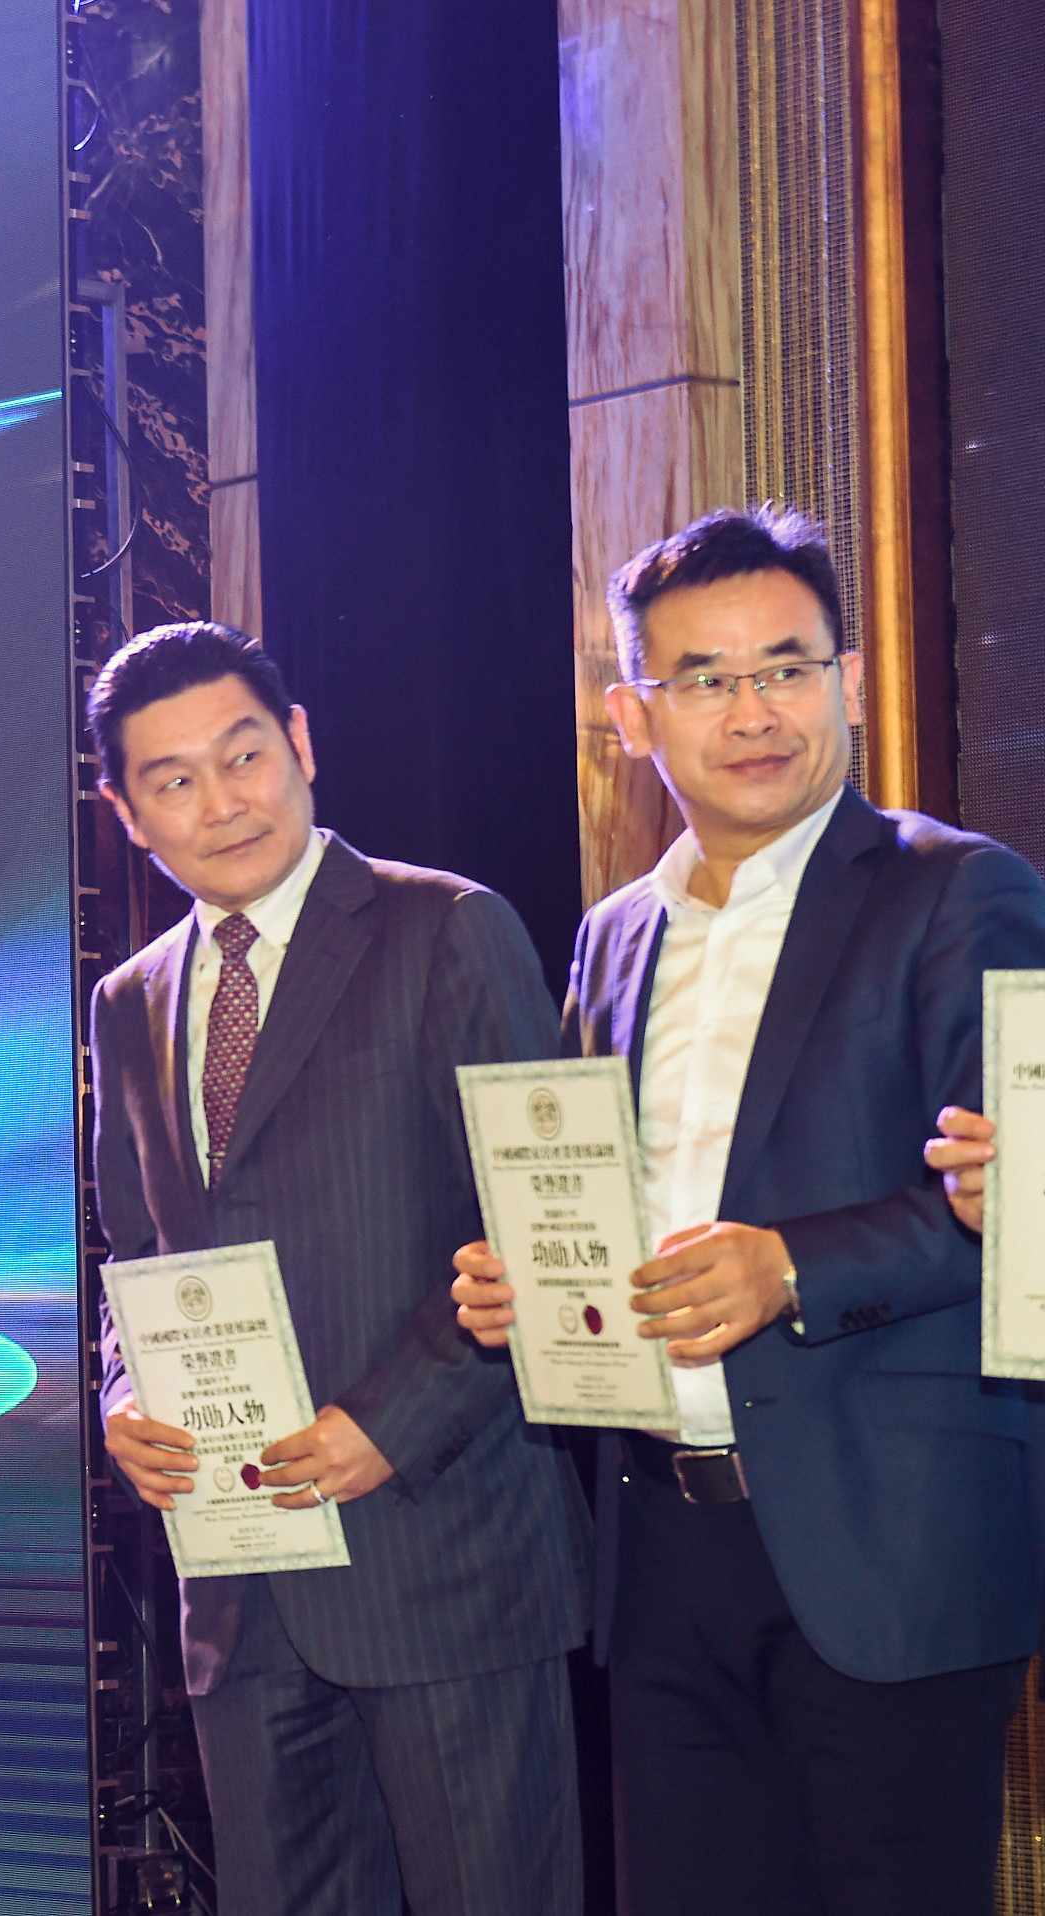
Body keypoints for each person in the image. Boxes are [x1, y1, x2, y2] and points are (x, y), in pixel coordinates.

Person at [450, 505, 1045, 1916]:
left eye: (786, 666)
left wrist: (792, 1267)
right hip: (662, 1549)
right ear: (632, 716)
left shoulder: (961, 889)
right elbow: (597, 1197)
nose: (754, 710)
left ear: (849, 680)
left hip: (889, 1541)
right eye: (705, 678)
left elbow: (1018, 1204)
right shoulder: (613, 933)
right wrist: (528, 1282)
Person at [89, 622, 588, 1916]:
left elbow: (541, 1233)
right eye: (174, 779)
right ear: (127, 813)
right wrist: (125, 1396)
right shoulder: (128, 1001)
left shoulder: (447, 928)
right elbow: (136, 1253)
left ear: (300, 743)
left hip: (442, 1552)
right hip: (241, 1580)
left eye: (244, 754)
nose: (223, 800)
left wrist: (390, 1421)